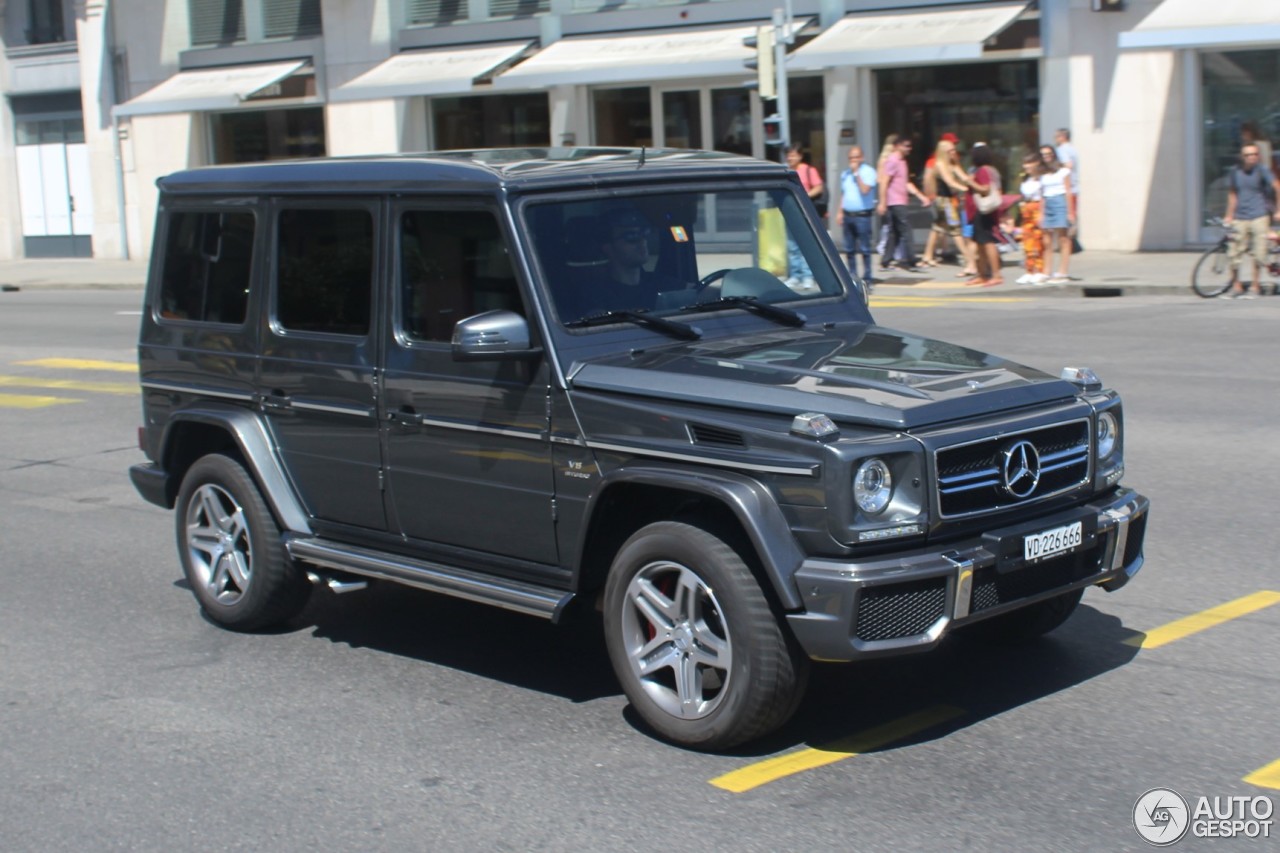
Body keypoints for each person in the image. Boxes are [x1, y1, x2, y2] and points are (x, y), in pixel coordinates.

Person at [1225, 142, 1280, 298]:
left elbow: (1277, 186)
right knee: (1233, 252)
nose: (1252, 157)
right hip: (1240, 217)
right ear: (1242, 157)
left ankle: (1255, 287)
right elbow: (1232, 194)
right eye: (1249, 155)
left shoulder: (1262, 170)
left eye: (1255, 154)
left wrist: (1278, 210)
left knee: (1258, 253)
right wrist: (1229, 214)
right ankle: (1237, 286)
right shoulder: (1235, 172)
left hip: (1259, 215)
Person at [876, 135, 930, 272]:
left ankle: (886, 261)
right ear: (897, 146)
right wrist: (882, 202)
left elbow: (906, 183)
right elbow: (884, 182)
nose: (909, 149)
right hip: (895, 202)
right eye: (906, 146)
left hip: (900, 201)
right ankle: (911, 261)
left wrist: (921, 196)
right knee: (906, 231)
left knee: (895, 233)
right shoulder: (892, 161)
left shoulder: (902, 162)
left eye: (909, 146)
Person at [921, 135, 969, 269]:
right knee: (955, 229)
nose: (955, 152)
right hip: (943, 200)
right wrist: (965, 189)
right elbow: (949, 181)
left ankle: (927, 255)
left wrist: (972, 183)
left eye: (954, 149)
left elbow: (963, 176)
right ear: (944, 152)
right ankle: (968, 258)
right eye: (951, 150)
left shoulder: (952, 163)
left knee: (937, 227)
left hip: (947, 199)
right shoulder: (939, 163)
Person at [784, 144, 824, 292]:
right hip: (790, 210)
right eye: (788, 155)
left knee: (806, 245)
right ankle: (795, 276)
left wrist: (804, 196)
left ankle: (808, 276)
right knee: (792, 246)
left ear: (800, 156)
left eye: (793, 155)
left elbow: (819, 186)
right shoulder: (785, 170)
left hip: (805, 211)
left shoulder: (808, 170)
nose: (790, 157)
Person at [836, 145, 878, 284]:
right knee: (849, 249)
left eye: (856, 157)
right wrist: (840, 211)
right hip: (848, 215)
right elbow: (844, 194)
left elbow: (865, 190)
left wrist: (857, 174)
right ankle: (853, 277)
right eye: (851, 158)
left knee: (865, 249)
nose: (853, 160)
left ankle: (867, 278)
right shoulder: (845, 174)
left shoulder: (869, 172)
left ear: (862, 157)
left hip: (862, 216)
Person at [963, 144, 1003, 286]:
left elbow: (985, 189)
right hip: (978, 211)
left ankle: (996, 274)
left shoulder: (983, 171)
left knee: (987, 242)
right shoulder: (989, 170)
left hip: (983, 211)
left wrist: (971, 182)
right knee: (980, 243)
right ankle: (982, 274)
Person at [1039, 145, 1075, 284]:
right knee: (1047, 240)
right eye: (1043, 154)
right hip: (1047, 203)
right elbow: (1042, 194)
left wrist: (1070, 212)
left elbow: (1068, 191)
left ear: (1053, 154)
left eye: (1048, 153)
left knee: (1063, 239)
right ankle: (1047, 271)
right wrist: (1041, 214)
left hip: (1060, 201)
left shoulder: (1063, 171)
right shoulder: (1041, 173)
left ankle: (1063, 272)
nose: (1046, 156)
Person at [1014, 153, 1047, 285]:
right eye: (1025, 163)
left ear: (1037, 164)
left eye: (1029, 163)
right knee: (1027, 241)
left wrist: (1042, 214)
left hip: (1037, 209)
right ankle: (1029, 270)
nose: (1026, 166)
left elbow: (1043, 197)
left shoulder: (1042, 179)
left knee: (1038, 241)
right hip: (1026, 210)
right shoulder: (1025, 179)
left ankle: (1039, 270)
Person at [1054, 127, 1080, 213]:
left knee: (1065, 214)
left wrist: (1056, 166)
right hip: (1074, 187)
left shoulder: (1062, 149)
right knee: (1072, 214)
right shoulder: (1073, 149)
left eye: (1056, 137)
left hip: (1065, 189)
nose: (1055, 139)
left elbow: (1068, 165)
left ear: (1063, 137)